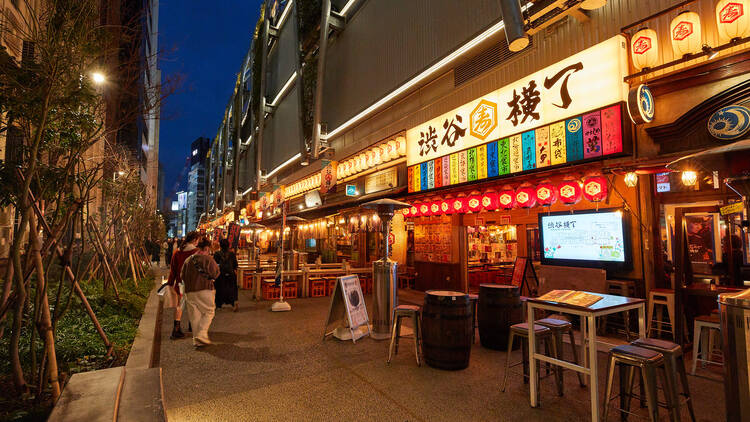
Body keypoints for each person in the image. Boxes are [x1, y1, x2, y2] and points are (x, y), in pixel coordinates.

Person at [181, 238, 220, 347]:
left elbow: (182, 276)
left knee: (195, 316)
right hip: (205, 289)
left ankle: (196, 340)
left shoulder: (188, 259)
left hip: (189, 291)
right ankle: (202, 334)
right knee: (209, 311)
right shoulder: (208, 259)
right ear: (207, 248)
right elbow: (216, 273)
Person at [166, 231, 201, 339]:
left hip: (180, 283)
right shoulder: (197, 252)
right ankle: (193, 326)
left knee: (179, 306)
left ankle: (176, 330)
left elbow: (173, 270)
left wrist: (170, 283)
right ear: (195, 240)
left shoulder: (177, 252)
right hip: (193, 284)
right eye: (198, 240)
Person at [214, 238, 239, 311]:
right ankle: (233, 303)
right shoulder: (232, 254)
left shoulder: (217, 254)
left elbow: (215, 265)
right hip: (231, 274)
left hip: (220, 274)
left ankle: (218, 305)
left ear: (220, 245)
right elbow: (235, 265)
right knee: (232, 289)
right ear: (228, 245)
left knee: (219, 289)